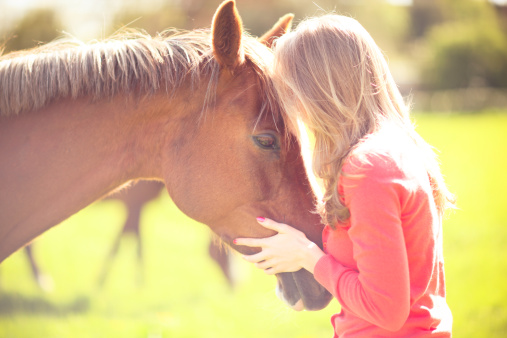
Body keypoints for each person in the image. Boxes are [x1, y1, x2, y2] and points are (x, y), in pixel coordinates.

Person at [233, 14, 455, 337]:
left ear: (321, 90)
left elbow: (386, 309)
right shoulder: (396, 150)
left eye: (292, 92)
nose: (292, 109)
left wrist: (310, 259)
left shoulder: (367, 170)